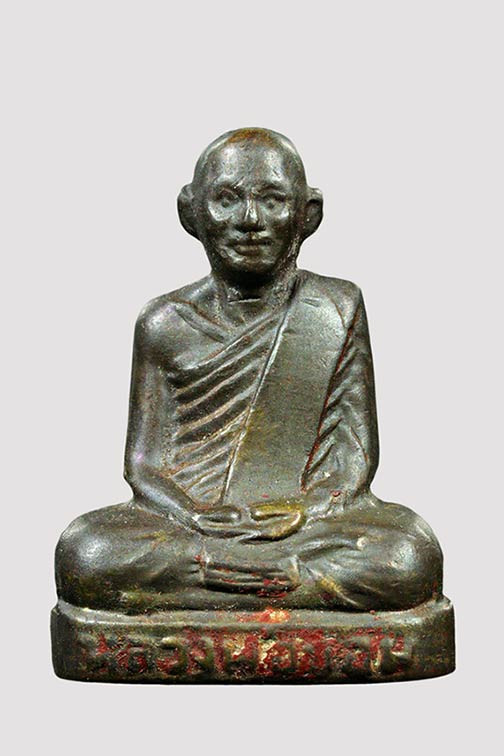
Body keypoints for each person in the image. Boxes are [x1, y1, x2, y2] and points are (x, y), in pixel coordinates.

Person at [56, 128, 443, 612]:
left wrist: (305, 510)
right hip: (196, 527)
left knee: (407, 553)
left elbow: (354, 459)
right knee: (89, 551)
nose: (250, 221)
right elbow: (144, 465)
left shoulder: (334, 307)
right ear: (191, 213)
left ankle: (227, 581)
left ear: (307, 215)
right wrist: (193, 516)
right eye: (227, 200)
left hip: (304, 527)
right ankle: (276, 581)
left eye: (273, 200)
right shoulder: (164, 322)